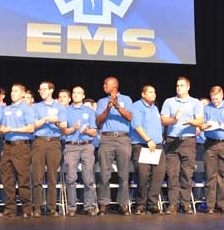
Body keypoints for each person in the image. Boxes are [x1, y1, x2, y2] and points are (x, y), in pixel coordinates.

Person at [160, 77, 204, 214]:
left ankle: (185, 204)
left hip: (188, 141)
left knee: (186, 173)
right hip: (172, 140)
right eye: (177, 85)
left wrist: (191, 122)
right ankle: (172, 204)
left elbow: (200, 121)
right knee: (172, 174)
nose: (179, 87)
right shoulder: (169, 102)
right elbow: (163, 120)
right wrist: (174, 119)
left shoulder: (195, 102)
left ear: (188, 87)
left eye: (182, 85)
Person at [95, 77, 133, 215]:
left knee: (124, 174)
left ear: (114, 85)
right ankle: (103, 204)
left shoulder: (127, 99)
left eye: (106, 84)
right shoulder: (101, 101)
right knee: (105, 174)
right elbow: (98, 121)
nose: (104, 85)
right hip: (106, 139)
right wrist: (108, 108)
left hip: (123, 139)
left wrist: (117, 105)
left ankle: (123, 204)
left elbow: (129, 117)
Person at [0, 84, 36, 217]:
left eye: (15, 91)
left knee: (23, 177)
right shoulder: (6, 109)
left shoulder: (27, 108)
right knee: (7, 177)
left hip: (21, 146)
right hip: (7, 145)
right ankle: (10, 208)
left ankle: (27, 209)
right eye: (12, 91)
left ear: (22, 94)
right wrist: (2, 129)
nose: (12, 93)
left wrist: (12, 129)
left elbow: (31, 128)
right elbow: (1, 125)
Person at [32, 81, 67, 216]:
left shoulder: (60, 107)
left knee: (53, 177)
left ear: (51, 90)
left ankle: (53, 208)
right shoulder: (35, 107)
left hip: (54, 142)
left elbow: (63, 127)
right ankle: (37, 208)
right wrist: (46, 119)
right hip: (39, 142)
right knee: (38, 176)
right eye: (40, 90)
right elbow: (33, 125)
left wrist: (56, 121)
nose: (41, 91)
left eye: (44, 89)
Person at [61, 86, 98, 215]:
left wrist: (85, 130)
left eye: (79, 93)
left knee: (88, 178)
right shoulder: (65, 110)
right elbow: (63, 130)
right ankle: (72, 207)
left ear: (83, 96)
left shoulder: (89, 110)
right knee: (71, 178)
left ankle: (89, 206)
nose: (76, 95)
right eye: (74, 93)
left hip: (87, 146)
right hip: (71, 146)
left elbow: (94, 132)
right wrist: (74, 128)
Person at [130, 85, 166, 215]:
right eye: (150, 92)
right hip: (143, 145)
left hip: (157, 146)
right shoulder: (136, 106)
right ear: (143, 94)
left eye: (154, 92)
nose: (153, 94)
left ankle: (152, 204)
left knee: (158, 175)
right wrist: (148, 140)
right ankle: (140, 204)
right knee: (143, 176)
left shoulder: (155, 108)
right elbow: (137, 126)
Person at [201, 86, 224, 214]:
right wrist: (207, 125)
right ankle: (210, 205)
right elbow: (201, 125)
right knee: (210, 174)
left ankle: (221, 204)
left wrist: (220, 125)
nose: (215, 101)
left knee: (223, 174)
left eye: (217, 98)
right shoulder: (206, 108)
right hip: (210, 143)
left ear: (222, 96)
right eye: (213, 99)